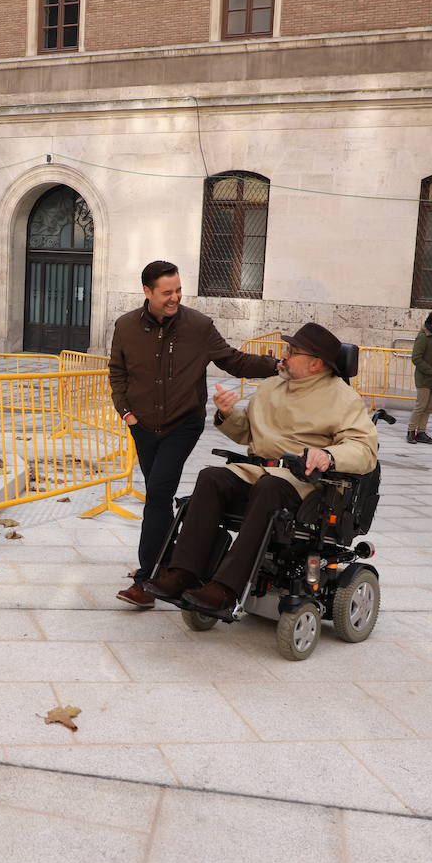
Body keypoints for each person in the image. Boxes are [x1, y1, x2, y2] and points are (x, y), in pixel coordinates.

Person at [144, 322, 378, 615]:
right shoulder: (271, 387)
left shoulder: (342, 398)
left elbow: (365, 449)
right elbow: (246, 433)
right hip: (259, 470)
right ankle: (182, 572)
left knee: (271, 488)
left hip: (303, 481)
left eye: (292, 351)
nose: (284, 355)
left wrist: (328, 456)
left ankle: (226, 588)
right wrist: (227, 413)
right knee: (211, 477)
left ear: (316, 363)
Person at [109, 260, 279, 609]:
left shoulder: (199, 326)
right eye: (166, 292)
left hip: (182, 424)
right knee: (159, 493)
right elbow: (117, 372)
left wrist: (273, 365)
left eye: (178, 290)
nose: (175, 297)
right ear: (147, 292)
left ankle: (147, 579)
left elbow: (232, 360)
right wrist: (125, 412)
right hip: (142, 425)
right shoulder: (125, 326)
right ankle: (173, 563)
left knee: (157, 494)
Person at [408, 310, 432, 444]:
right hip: (424, 378)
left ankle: (421, 432)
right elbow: (416, 358)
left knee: (429, 407)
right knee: (421, 406)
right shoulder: (423, 336)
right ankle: (411, 431)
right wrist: (430, 371)